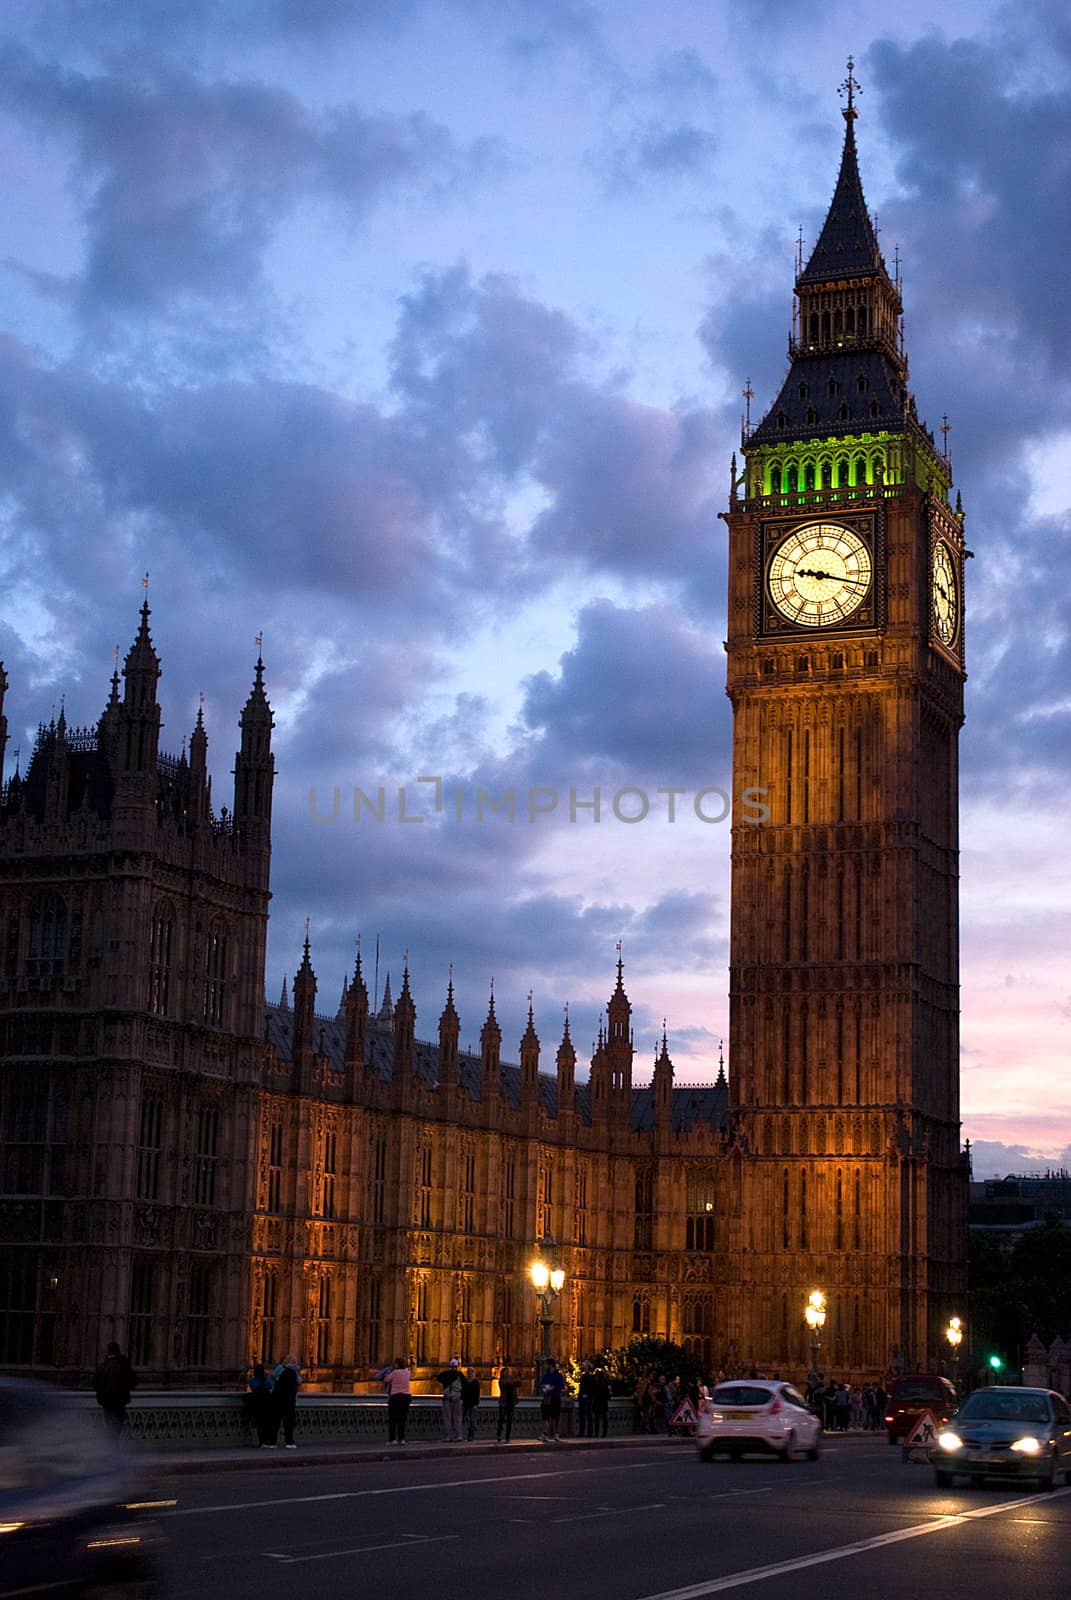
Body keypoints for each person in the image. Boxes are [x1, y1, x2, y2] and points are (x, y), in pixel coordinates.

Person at [94, 1341, 136, 1440]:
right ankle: (113, 1447)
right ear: (118, 1351)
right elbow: (133, 1380)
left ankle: (110, 1447)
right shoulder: (123, 1365)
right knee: (117, 1426)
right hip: (119, 1401)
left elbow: (95, 1384)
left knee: (109, 1425)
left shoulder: (102, 1366)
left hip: (106, 1402)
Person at [271, 1353, 302, 1448]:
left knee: (275, 1421)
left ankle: (272, 1442)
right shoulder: (294, 1372)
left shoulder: (279, 1369)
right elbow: (299, 1381)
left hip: (278, 1399)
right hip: (290, 1401)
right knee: (288, 1422)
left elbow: (273, 1379)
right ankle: (289, 1442)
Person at [247, 1361, 275, 1447]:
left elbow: (252, 1388)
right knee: (267, 1423)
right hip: (266, 1403)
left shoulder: (252, 1380)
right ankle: (267, 1440)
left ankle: (261, 1441)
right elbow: (271, 1386)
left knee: (259, 1423)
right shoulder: (266, 1379)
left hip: (257, 1403)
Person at [384, 1357, 412, 1444]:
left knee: (393, 1419)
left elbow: (386, 1379)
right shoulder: (408, 1372)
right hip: (406, 1397)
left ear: (397, 1364)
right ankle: (402, 1439)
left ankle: (392, 1439)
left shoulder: (395, 1373)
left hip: (396, 1397)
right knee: (402, 1419)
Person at [436, 1356, 463, 1441]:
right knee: (457, 1417)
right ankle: (458, 1435)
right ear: (457, 1366)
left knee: (447, 1418)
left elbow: (438, 1378)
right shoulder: (460, 1375)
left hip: (447, 1398)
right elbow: (464, 1385)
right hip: (457, 1398)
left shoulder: (445, 1374)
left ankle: (447, 1436)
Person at [540, 1357, 565, 1443]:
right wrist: (545, 1387)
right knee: (545, 1417)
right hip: (547, 1398)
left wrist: (552, 1388)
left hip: (555, 1398)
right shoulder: (546, 1375)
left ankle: (556, 1434)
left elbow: (561, 1386)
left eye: (546, 1364)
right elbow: (542, 1384)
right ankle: (545, 1433)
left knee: (555, 1417)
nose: (545, 1366)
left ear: (550, 1365)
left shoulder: (558, 1375)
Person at [496, 1364, 520, 1443]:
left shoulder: (511, 1380)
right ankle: (499, 1434)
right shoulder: (502, 1381)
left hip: (510, 1402)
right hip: (504, 1402)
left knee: (509, 1420)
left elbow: (519, 1383)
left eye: (509, 1372)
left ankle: (507, 1437)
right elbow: (506, 1384)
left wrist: (515, 1377)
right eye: (507, 1372)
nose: (508, 1373)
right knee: (501, 1420)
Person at [461, 1365, 481, 1441]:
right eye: (468, 1371)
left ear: (474, 1373)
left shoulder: (476, 1382)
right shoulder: (464, 1381)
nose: (470, 1373)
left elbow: (477, 1394)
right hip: (465, 1403)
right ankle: (461, 1435)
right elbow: (462, 1392)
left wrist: (476, 1404)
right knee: (462, 1419)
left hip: (473, 1404)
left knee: (472, 1421)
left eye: (471, 1371)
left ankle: (471, 1436)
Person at [577, 1360, 595, 1437]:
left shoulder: (587, 1376)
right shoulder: (588, 1376)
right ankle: (587, 1432)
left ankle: (584, 1432)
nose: (583, 1366)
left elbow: (586, 1387)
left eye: (585, 1365)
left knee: (585, 1415)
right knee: (586, 1415)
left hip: (586, 1397)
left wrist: (584, 1394)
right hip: (587, 1397)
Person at [591, 1366, 610, 1437]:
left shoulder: (595, 1383)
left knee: (597, 1418)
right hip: (603, 1402)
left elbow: (593, 1392)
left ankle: (596, 1433)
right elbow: (608, 1395)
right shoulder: (604, 1383)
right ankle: (604, 1433)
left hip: (597, 1402)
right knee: (604, 1418)